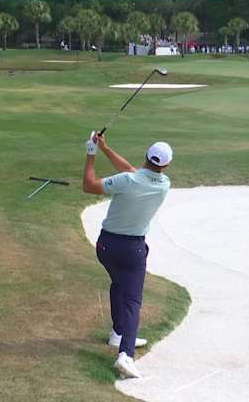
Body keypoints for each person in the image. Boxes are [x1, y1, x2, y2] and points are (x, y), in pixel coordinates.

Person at [83, 132, 173, 378]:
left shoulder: (127, 180)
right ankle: (126, 355)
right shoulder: (164, 184)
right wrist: (104, 149)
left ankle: (118, 333)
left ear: (146, 156)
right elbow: (133, 173)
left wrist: (91, 153)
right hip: (133, 251)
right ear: (166, 166)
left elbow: (90, 186)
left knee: (119, 284)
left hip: (106, 246)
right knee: (132, 300)